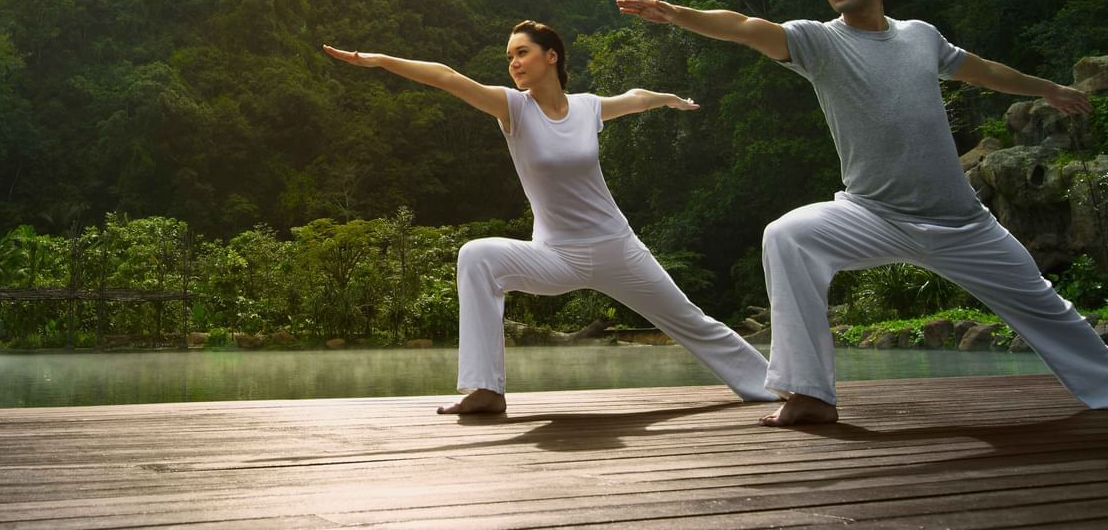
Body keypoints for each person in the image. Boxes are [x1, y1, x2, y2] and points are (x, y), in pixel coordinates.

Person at [618, 0, 1108, 426]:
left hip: (960, 222)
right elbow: (746, 26)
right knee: (787, 235)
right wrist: (677, 15)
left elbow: (978, 68)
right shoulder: (818, 42)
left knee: (1044, 306)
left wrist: (1046, 88)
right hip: (871, 214)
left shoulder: (921, 36)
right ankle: (809, 395)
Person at [321, 21, 777, 414]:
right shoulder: (512, 109)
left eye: (522, 52)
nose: (513, 63)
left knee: (692, 321)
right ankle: (485, 389)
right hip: (556, 255)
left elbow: (635, 98)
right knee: (476, 256)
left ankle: (775, 387)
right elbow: (446, 77)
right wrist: (379, 60)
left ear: (551, 56)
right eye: (509, 57)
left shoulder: (586, 108)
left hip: (617, 248)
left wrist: (667, 99)